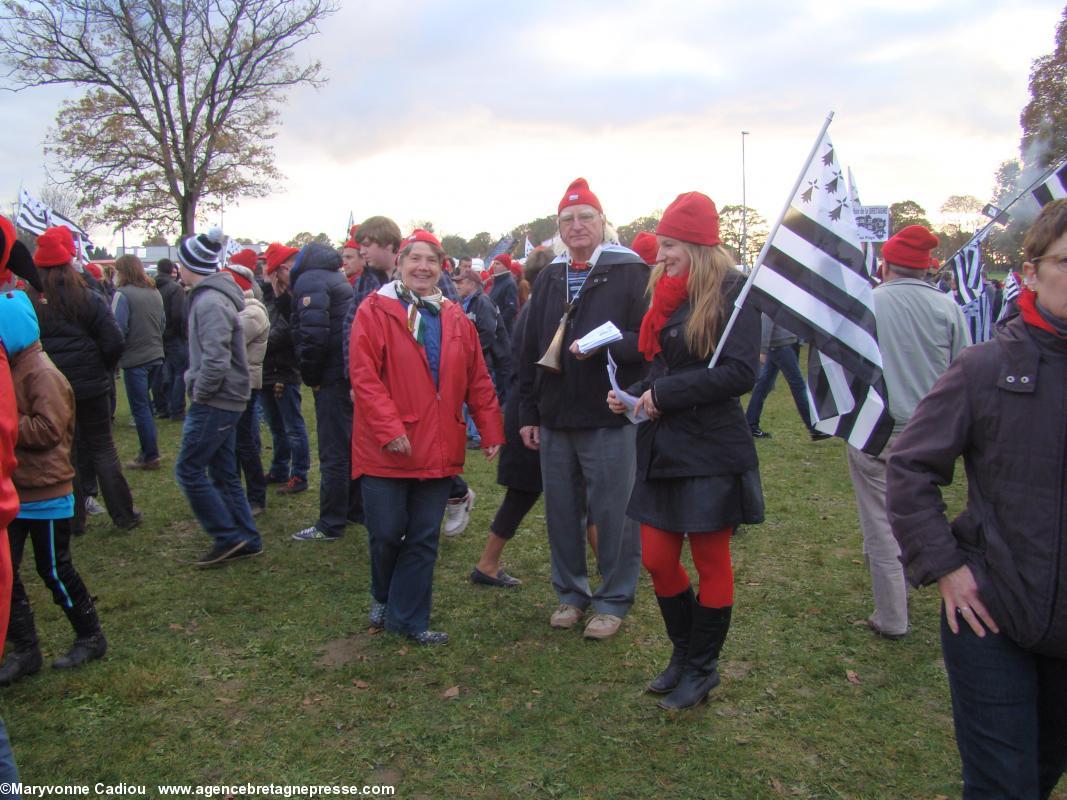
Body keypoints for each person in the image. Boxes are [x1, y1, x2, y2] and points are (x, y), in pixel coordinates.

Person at [886, 199, 1067, 798]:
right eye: (1066, 261)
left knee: (1042, 773)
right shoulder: (987, 367)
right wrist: (946, 567)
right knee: (1003, 785)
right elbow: (910, 468)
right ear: (1033, 270)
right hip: (993, 612)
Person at [608, 192, 762, 709]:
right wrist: (636, 397)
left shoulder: (734, 295)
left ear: (696, 245)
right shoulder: (669, 293)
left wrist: (665, 394)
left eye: (671, 245)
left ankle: (701, 666)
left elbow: (741, 374)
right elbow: (663, 365)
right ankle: (685, 652)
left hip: (712, 448)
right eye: (662, 245)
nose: (662, 255)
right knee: (656, 558)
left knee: (710, 557)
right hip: (664, 444)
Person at [351, 229, 503, 645]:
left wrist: (490, 427)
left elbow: (478, 378)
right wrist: (389, 428)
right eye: (415, 258)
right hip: (388, 447)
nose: (423, 267)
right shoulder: (375, 310)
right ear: (400, 263)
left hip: (437, 444)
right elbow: (364, 377)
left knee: (422, 536)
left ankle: (408, 619)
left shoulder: (454, 316)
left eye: (431, 260)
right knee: (385, 532)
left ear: (442, 267)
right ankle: (383, 596)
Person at [518, 177, 649, 640]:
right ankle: (570, 594)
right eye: (567, 220)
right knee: (561, 510)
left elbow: (649, 340)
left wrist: (613, 356)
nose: (577, 226)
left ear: (602, 222)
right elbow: (529, 345)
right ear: (559, 228)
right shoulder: (549, 274)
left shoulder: (631, 270)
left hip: (608, 413)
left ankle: (613, 599)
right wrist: (529, 412)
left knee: (615, 513)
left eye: (585, 217)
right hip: (555, 415)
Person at [847, 225, 969, 640]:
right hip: (932, 432)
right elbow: (963, 368)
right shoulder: (947, 307)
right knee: (926, 511)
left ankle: (893, 617)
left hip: (878, 430)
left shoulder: (869, 303)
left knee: (881, 523)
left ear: (886, 264)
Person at [0, 290, 107, 684]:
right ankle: (25, 649)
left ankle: (90, 634)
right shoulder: (11, 367)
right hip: (17, 488)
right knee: (7, 574)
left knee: (54, 569)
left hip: (47, 490)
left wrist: (7, 422)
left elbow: (49, 429)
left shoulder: (42, 373)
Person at [25, 226, 141, 535]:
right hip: (90, 385)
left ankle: (73, 520)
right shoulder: (88, 297)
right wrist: (101, 367)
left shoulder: (28, 302)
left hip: (51, 389)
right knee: (103, 448)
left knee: (67, 452)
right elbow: (114, 340)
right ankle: (124, 514)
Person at [173, 228, 263, 567]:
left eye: (180, 262)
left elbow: (216, 359)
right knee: (223, 473)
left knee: (189, 469)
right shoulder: (212, 296)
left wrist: (200, 392)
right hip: (225, 397)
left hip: (217, 400)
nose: (177, 268)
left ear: (188, 264)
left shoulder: (210, 301)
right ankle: (246, 537)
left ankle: (227, 536)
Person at [470, 248, 553, 587]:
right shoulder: (540, 313)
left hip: (525, 409)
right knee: (532, 495)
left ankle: (488, 564)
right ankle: (487, 564)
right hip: (530, 414)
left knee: (527, 495)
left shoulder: (533, 308)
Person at [288, 241, 358, 541]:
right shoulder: (335, 278)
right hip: (344, 372)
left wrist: (311, 376)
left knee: (334, 452)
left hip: (331, 375)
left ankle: (330, 522)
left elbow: (313, 335)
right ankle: (353, 509)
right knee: (347, 445)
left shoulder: (310, 281)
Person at [261, 244, 309, 495]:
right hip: (268, 370)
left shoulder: (290, 298)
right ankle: (280, 468)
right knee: (276, 427)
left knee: (292, 427)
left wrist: (258, 345)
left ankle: (299, 474)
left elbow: (284, 332)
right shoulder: (270, 297)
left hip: (284, 371)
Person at [223, 260, 269, 516]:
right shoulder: (241, 309)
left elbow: (228, 340)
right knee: (240, 442)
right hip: (237, 384)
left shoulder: (252, 312)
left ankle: (256, 497)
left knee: (245, 444)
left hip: (246, 385)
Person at [112, 254, 166, 470]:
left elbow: (116, 328)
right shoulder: (155, 293)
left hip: (135, 357)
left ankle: (150, 454)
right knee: (147, 407)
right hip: (155, 353)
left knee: (141, 408)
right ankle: (148, 451)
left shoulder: (122, 295)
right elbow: (162, 323)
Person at [744, 314, 831, 441]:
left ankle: (751, 424)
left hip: (780, 345)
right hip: (780, 346)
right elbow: (767, 320)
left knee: (763, 386)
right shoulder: (773, 298)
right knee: (798, 385)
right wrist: (762, 350)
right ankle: (814, 428)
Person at [153, 258, 188, 421]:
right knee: (179, 372)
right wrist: (182, 334)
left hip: (157, 336)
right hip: (174, 336)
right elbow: (178, 315)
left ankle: (162, 407)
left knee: (161, 373)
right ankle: (176, 409)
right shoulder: (175, 289)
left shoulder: (151, 287)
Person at [488, 254, 519, 336]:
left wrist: (497, 323)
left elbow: (512, 309)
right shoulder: (497, 281)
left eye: (498, 263)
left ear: (506, 266)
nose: (494, 266)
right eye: (494, 263)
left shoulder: (509, 283)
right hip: (494, 329)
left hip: (503, 332)